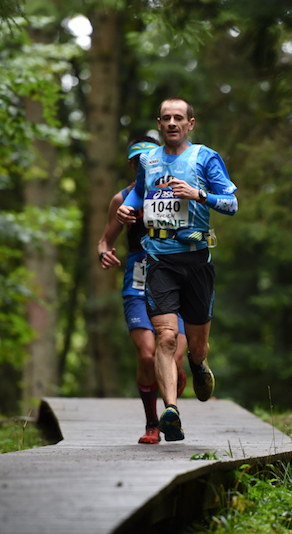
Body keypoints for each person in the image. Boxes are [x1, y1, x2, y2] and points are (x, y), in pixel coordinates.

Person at [116, 97, 238, 442]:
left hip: (196, 259)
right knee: (166, 338)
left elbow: (231, 203)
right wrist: (127, 210)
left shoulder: (205, 157)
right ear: (159, 123)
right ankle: (171, 410)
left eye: (178, 118)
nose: (172, 123)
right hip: (159, 260)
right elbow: (137, 196)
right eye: (166, 118)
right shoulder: (147, 160)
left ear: (190, 124)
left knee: (196, 346)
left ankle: (199, 365)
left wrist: (198, 194)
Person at [98, 136, 188, 445]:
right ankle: (153, 423)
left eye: (147, 160)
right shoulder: (121, 199)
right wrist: (104, 253)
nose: (142, 166)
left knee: (175, 358)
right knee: (148, 355)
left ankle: (173, 399)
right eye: (137, 162)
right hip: (138, 279)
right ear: (132, 166)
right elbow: (104, 240)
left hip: (174, 276)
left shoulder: (179, 190)